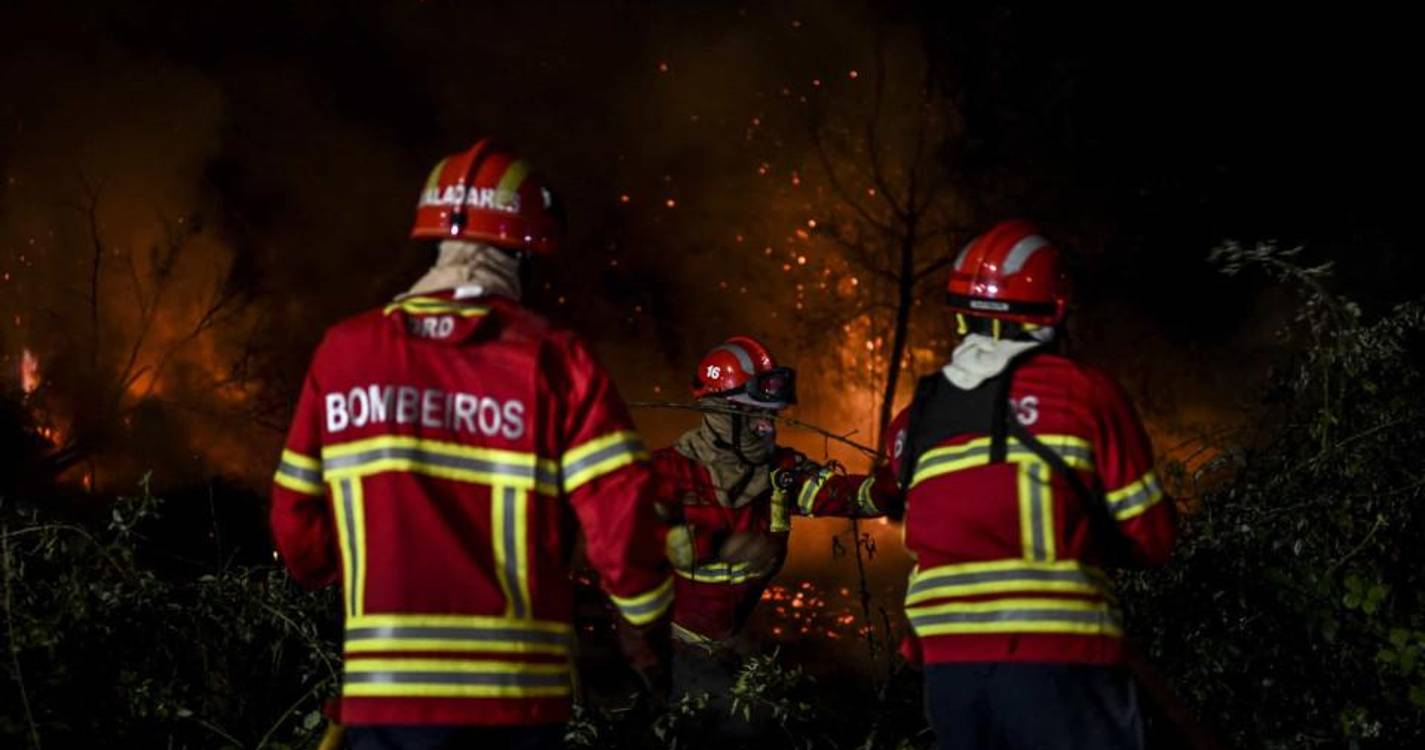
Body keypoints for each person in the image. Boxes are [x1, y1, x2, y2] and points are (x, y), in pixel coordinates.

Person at [270, 139, 671, 750]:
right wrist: (644, 622)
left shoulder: (343, 353)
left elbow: (296, 528)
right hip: (516, 703)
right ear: (524, 250)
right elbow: (621, 514)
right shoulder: (555, 359)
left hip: (384, 700)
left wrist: (357, 565)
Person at [887, 219, 1177, 750]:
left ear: (960, 314)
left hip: (949, 674)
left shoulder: (913, 418)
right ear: (1057, 309)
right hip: (1061, 661)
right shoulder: (1082, 393)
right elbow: (1153, 538)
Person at [652, 335, 896, 706]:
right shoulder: (667, 473)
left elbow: (843, 494)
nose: (767, 427)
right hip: (668, 649)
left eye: (771, 415)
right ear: (721, 414)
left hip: (741, 645)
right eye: (754, 416)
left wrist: (897, 487)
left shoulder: (780, 471)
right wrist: (700, 544)